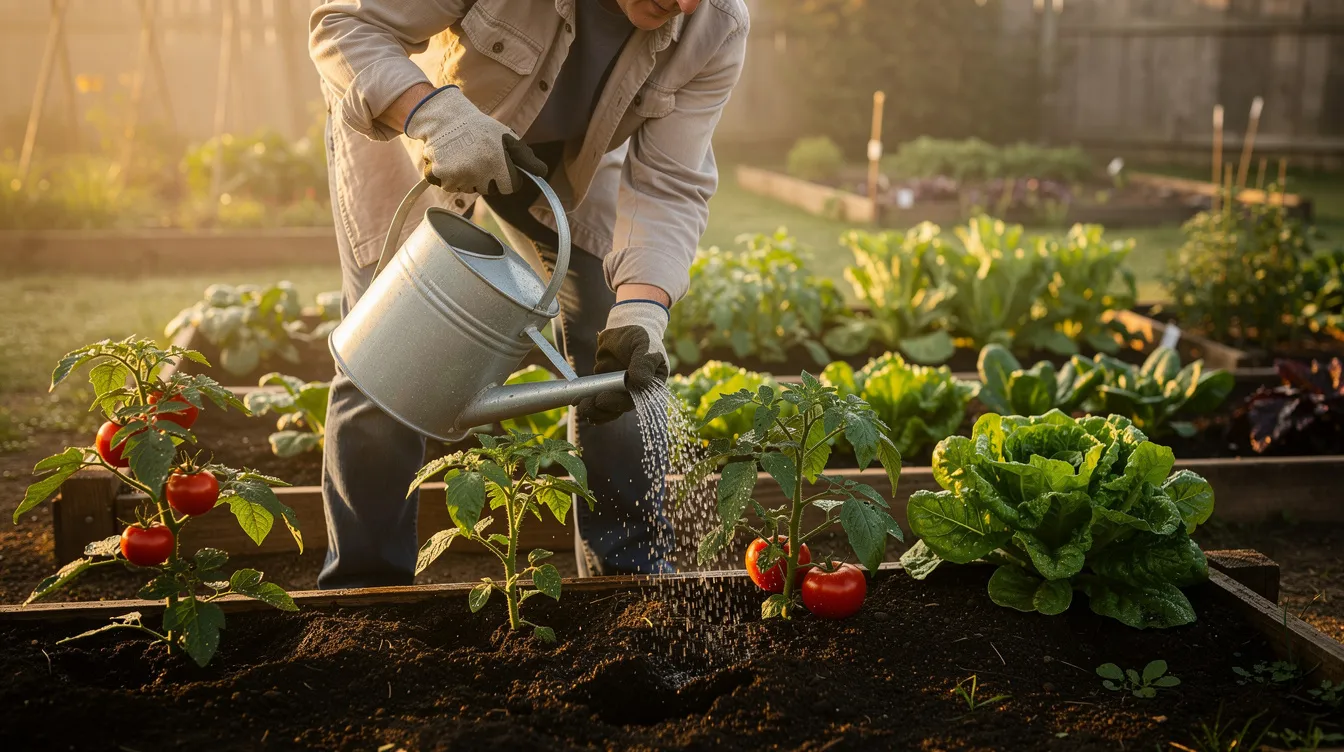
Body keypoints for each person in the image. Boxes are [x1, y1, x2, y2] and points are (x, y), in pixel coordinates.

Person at [309, 0, 749, 587]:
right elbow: (344, 26)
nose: (685, 4)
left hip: (566, 169)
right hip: (415, 125)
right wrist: (437, 116)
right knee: (390, 350)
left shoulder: (715, 25)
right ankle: (366, 593)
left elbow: (670, 183)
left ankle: (624, 581)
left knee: (613, 344)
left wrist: (642, 307)